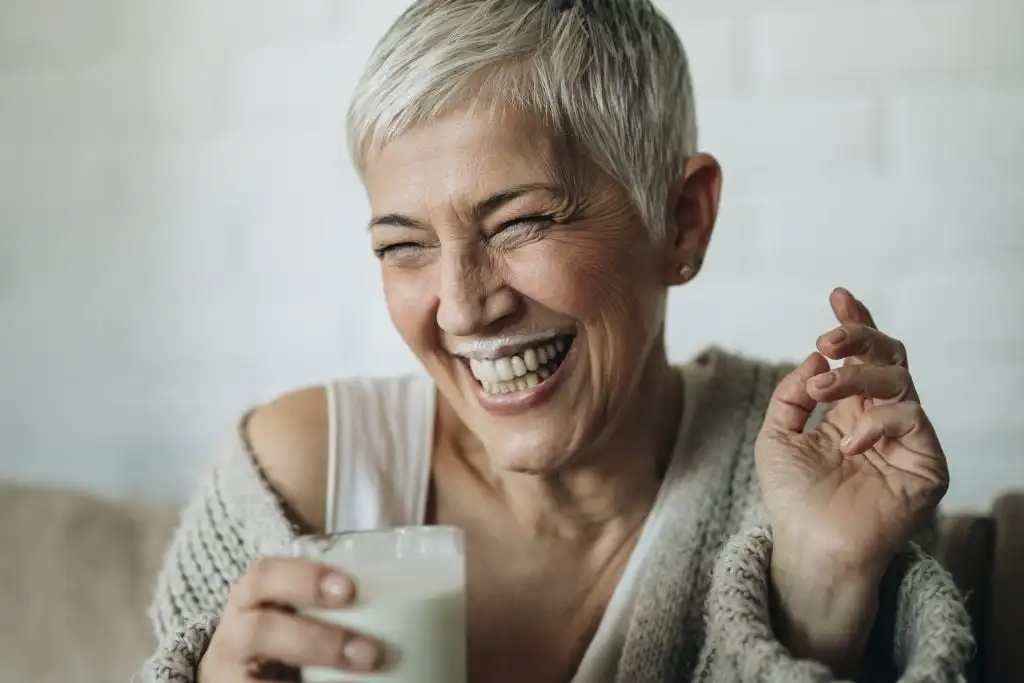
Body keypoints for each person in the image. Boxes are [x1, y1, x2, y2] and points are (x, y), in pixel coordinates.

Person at [141, 1, 973, 681]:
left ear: (682, 218)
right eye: (403, 245)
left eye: (524, 221)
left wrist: (820, 590)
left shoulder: (821, 471)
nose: (463, 308)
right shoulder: (297, 476)